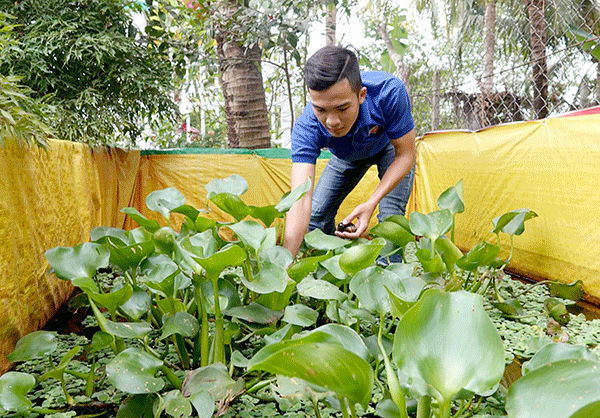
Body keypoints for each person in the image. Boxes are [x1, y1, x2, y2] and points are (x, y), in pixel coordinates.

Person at [283, 45, 416, 260]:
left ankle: (388, 280)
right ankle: (331, 272)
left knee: (391, 218)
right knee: (315, 217)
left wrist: (371, 202)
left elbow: (406, 154)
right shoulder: (306, 126)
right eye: (321, 110)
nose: (332, 122)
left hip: (390, 149)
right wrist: (284, 267)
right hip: (347, 156)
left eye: (342, 108)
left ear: (361, 95)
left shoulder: (389, 92)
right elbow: (300, 199)